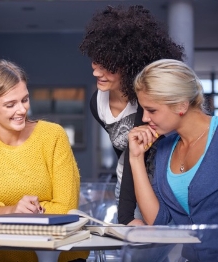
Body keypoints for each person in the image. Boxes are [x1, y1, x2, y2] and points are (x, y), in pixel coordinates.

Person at [0, 60, 86, 262]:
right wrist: (14, 210)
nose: (22, 110)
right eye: (10, 104)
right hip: (1, 257)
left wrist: (10, 215)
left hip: (61, 257)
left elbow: (66, 208)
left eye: (25, 100)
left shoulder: (53, 136)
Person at [79, 5, 184, 225]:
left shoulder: (146, 103)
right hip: (128, 188)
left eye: (107, 66)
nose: (96, 72)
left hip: (163, 189)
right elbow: (126, 156)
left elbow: (137, 156)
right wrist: (126, 216)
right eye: (96, 61)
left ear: (131, 64)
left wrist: (125, 218)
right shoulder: (97, 103)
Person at [128, 59, 218, 261]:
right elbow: (158, 221)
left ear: (181, 105)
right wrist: (136, 158)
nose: (144, 118)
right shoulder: (165, 147)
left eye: (152, 110)